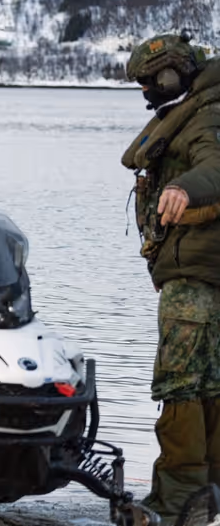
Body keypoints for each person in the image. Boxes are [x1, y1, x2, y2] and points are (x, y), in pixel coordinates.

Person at [121, 33, 220, 523]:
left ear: (170, 75)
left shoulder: (207, 116)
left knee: (180, 383)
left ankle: (176, 499)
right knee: (210, 385)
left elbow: (216, 167)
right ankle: (206, 498)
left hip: (194, 277)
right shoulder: (202, 109)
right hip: (200, 273)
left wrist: (181, 185)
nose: (146, 92)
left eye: (148, 82)